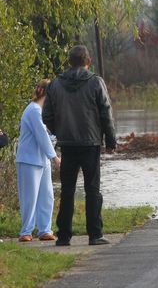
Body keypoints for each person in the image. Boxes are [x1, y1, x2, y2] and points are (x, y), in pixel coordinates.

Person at [43, 45, 116, 246]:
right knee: (92, 190)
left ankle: (64, 236)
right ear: (88, 62)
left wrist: (61, 131)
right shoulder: (95, 82)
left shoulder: (55, 85)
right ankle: (95, 234)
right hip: (90, 143)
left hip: (67, 144)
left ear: (69, 62)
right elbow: (105, 113)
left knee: (67, 190)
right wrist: (110, 141)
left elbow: (46, 115)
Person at [16, 79, 61, 242]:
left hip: (42, 161)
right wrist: (55, 157)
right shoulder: (34, 109)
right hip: (29, 160)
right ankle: (26, 231)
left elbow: (49, 136)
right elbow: (42, 136)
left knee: (47, 196)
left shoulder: (43, 112)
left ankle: (44, 230)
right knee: (30, 197)